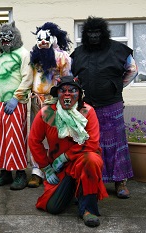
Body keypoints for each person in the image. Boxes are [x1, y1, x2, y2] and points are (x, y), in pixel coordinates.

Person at [70, 16, 138, 199]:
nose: (93, 36)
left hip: (112, 105)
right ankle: (93, 180)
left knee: (117, 144)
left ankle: (120, 182)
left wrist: (116, 85)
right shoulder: (78, 53)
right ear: (85, 35)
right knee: (90, 144)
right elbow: (71, 77)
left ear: (104, 33)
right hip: (87, 107)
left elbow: (132, 70)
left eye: (97, 33)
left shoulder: (118, 49)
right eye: (90, 33)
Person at [28, 75, 108, 227]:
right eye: (62, 90)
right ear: (56, 93)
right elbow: (34, 140)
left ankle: (88, 210)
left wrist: (66, 156)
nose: (67, 94)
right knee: (52, 207)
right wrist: (45, 167)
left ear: (79, 94)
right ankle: (73, 190)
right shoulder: (46, 112)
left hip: (83, 161)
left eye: (72, 90)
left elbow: (92, 143)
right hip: (59, 169)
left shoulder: (88, 112)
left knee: (91, 159)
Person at [0, 21, 33, 190]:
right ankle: (4, 173)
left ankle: (20, 174)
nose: (5, 40)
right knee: (0, 140)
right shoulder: (1, 56)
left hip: (15, 104)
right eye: (2, 38)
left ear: (15, 36)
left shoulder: (24, 54)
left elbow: (27, 78)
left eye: (8, 37)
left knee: (16, 139)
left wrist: (17, 98)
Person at [28, 22, 72, 188]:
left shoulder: (63, 57)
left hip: (54, 103)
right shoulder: (35, 57)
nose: (43, 41)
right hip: (36, 100)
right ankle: (37, 171)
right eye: (39, 38)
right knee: (36, 136)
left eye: (46, 38)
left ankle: (54, 168)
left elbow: (67, 80)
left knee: (55, 136)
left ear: (54, 38)